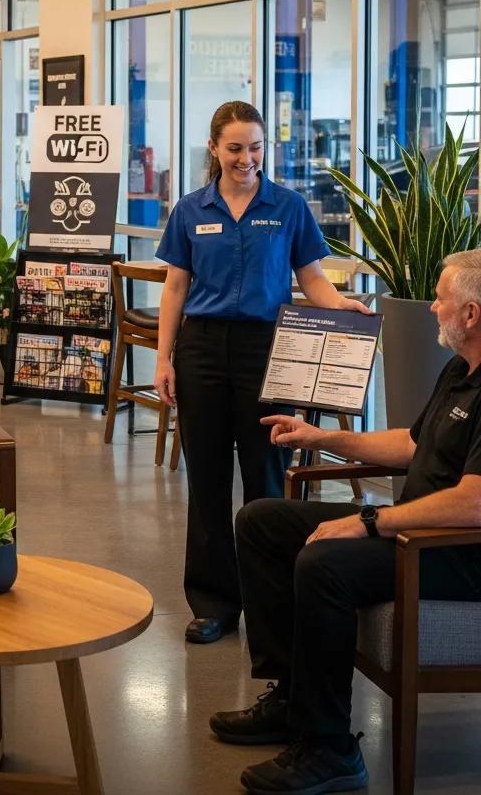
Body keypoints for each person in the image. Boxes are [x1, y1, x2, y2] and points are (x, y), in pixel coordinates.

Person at [211, 250, 481, 794]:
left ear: (471, 314)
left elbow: (474, 504)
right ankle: (291, 699)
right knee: (261, 522)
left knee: (324, 564)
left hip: (454, 552)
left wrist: (371, 519)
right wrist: (320, 438)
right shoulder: (459, 370)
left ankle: (329, 747)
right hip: (413, 531)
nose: (430, 307)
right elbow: (410, 443)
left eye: (441, 298)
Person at [153, 101, 368, 644]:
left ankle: (270, 599)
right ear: (213, 148)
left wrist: (341, 305)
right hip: (201, 348)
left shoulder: (289, 206)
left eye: (255, 147)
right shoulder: (190, 209)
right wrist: (162, 357)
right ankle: (214, 604)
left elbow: (312, 279)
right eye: (235, 148)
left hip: (268, 349)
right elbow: (176, 288)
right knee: (206, 480)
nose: (246, 158)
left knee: (267, 478)